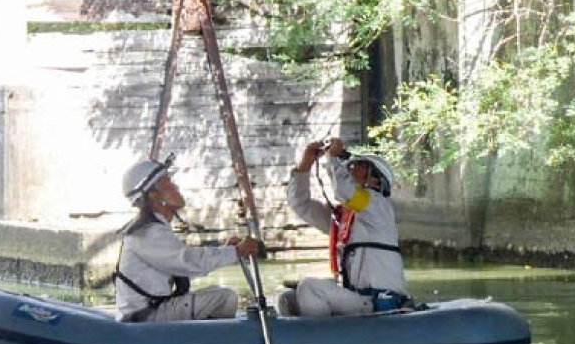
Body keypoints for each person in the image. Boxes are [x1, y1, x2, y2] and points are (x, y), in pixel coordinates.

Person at [114, 154, 259, 322]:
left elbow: (183, 265)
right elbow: (187, 262)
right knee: (224, 298)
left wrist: (228, 250)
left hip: (154, 309)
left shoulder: (154, 229)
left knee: (216, 293)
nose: (176, 187)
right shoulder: (147, 234)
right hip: (145, 317)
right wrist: (235, 252)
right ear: (153, 195)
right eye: (168, 183)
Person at [278, 138, 411, 316]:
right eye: (349, 166)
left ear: (376, 182)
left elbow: (345, 191)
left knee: (310, 288)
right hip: (357, 300)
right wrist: (305, 165)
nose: (351, 169)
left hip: (380, 302)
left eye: (359, 166)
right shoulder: (343, 219)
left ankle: (323, 340)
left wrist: (332, 158)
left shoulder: (378, 205)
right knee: (288, 299)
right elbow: (300, 204)